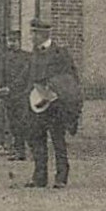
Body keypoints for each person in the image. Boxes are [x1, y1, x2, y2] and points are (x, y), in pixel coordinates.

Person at [23, 16, 81, 188]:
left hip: (55, 106)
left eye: (34, 34)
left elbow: (70, 79)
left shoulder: (60, 54)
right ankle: (39, 176)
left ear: (42, 34)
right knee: (36, 139)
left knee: (58, 141)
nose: (31, 37)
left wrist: (55, 90)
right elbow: (28, 79)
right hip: (36, 104)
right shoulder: (33, 55)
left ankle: (61, 177)